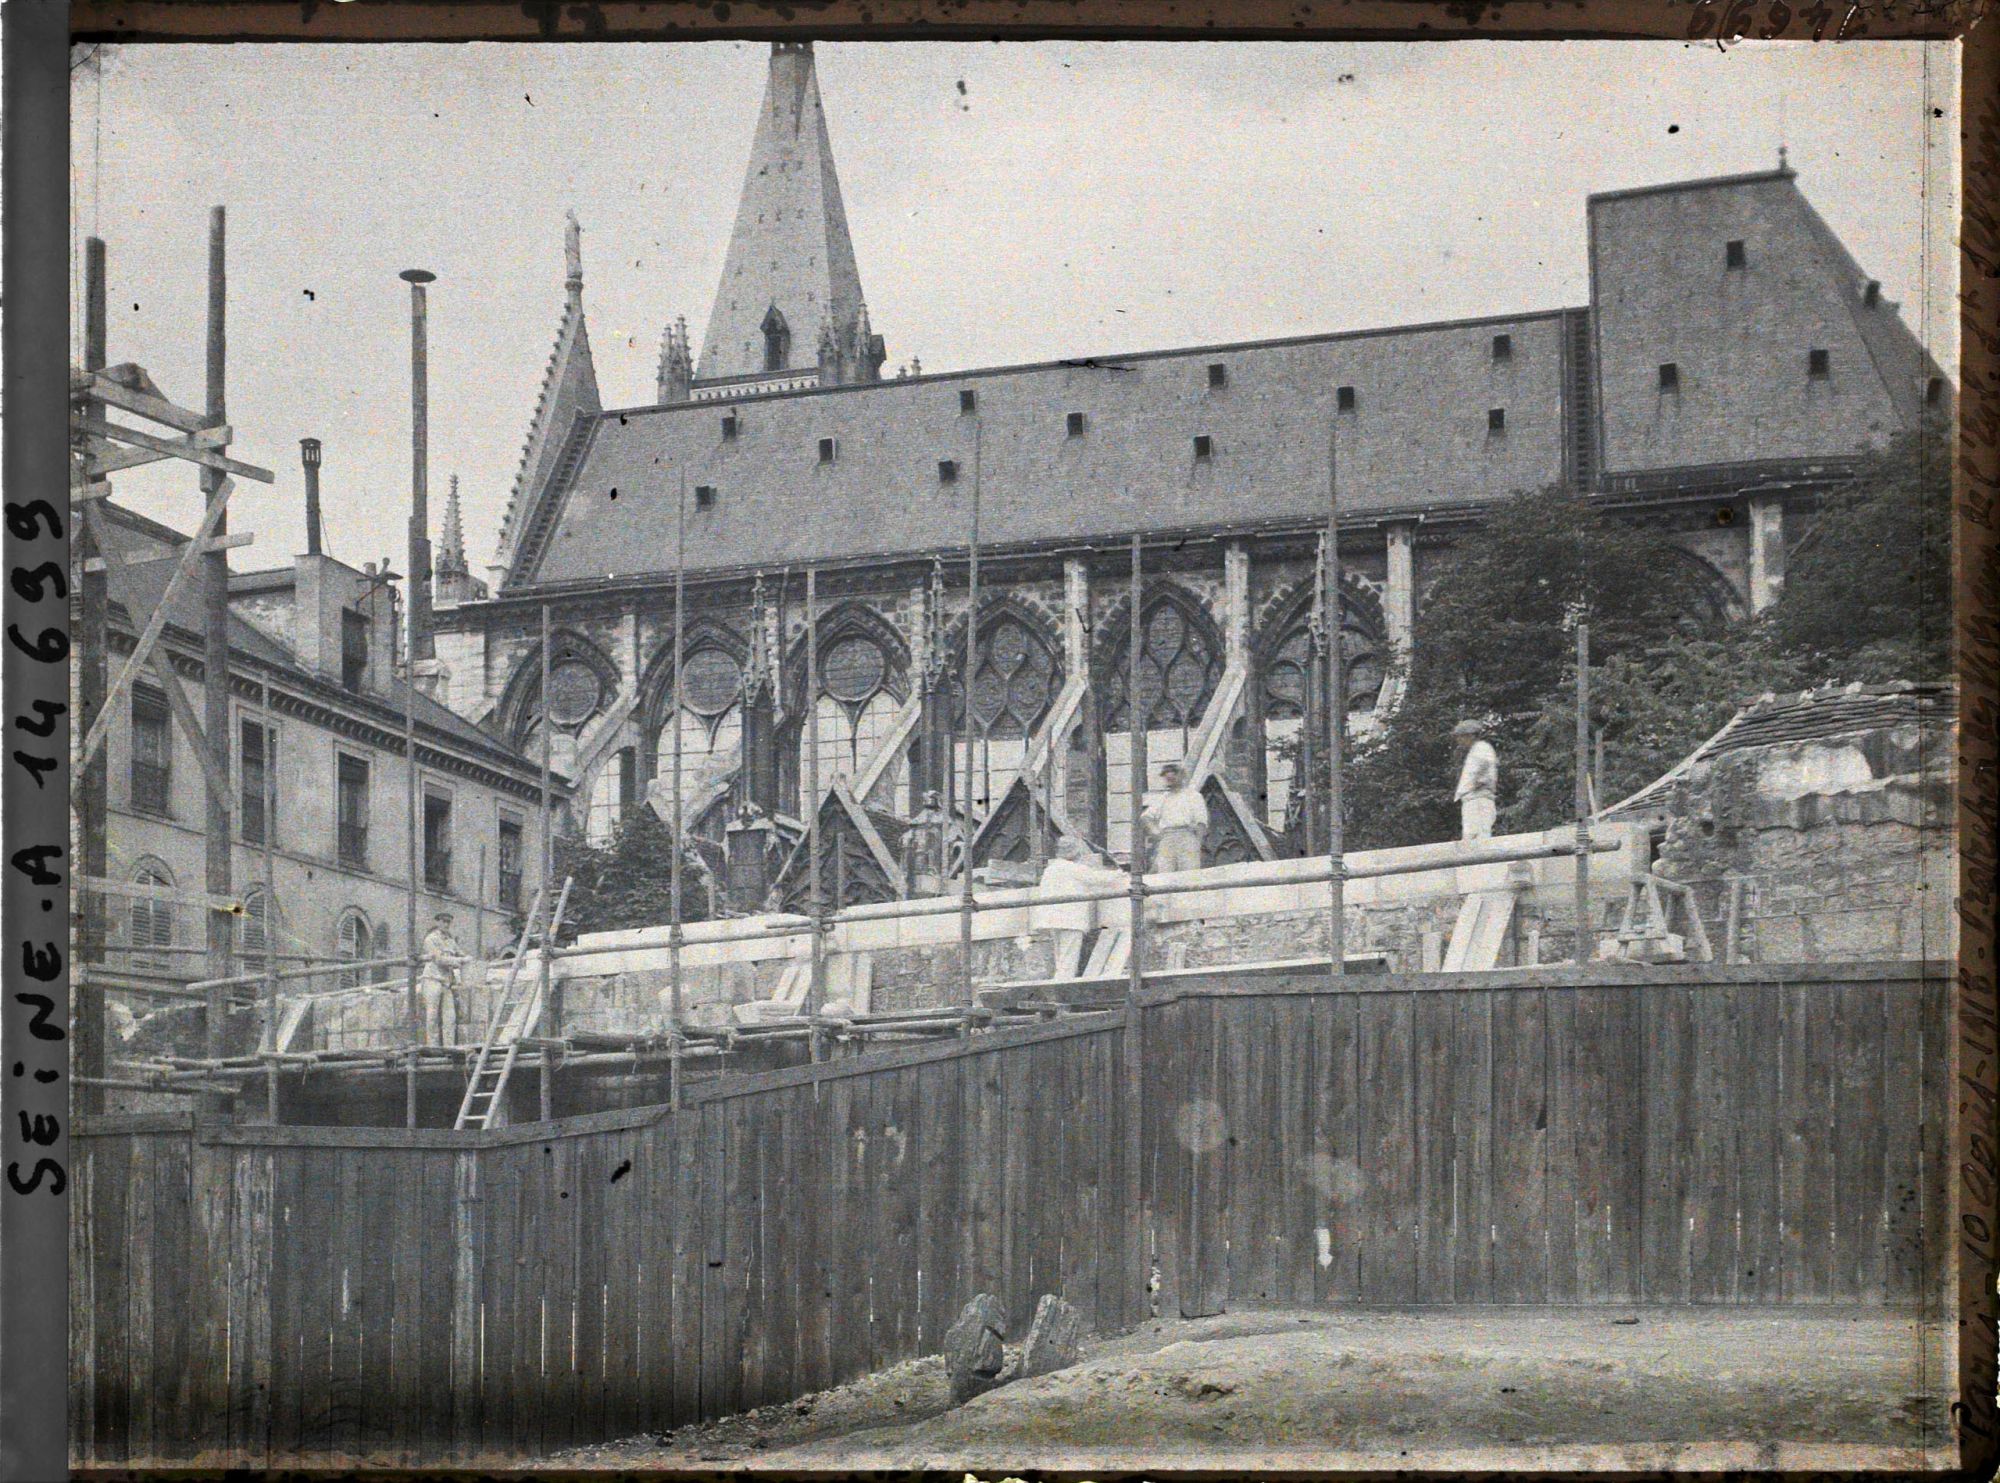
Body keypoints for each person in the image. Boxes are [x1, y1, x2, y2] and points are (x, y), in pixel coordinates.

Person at [1141, 760, 1209, 873]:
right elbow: (1146, 817)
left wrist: (1198, 844)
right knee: (1165, 873)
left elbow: (1201, 822)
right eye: (1167, 777)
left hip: (1187, 836)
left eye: (1173, 775)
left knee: (1190, 873)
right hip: (1167, 838)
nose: (1169, 779)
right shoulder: (1163, 798)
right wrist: (1156, 831)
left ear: (1181, 776)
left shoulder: (1193, 796)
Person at [418, 911, 469, 1046]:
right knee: (432, 1016)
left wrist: (468, 959)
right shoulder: (431, 939)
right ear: (437, 922)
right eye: (443, 921)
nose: (446, 924)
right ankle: (433, 1046)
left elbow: (462, 954)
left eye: (448, 922)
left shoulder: (451, 941)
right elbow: (439, 959)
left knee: (450, 1017)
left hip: (446, 983)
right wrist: (460, 960)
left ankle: (449, 1046)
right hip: (432, 980)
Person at [1452, 719, 1499, 841]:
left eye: (1461, 737)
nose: (1459, 740)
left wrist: (1481, 781)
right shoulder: (1475, 750)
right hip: (1472, 798)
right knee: (1471, 835)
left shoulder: (1481, 747)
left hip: (1478, 798)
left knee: (1477, 836)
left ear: (1470, 735)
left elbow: (1485, 765)